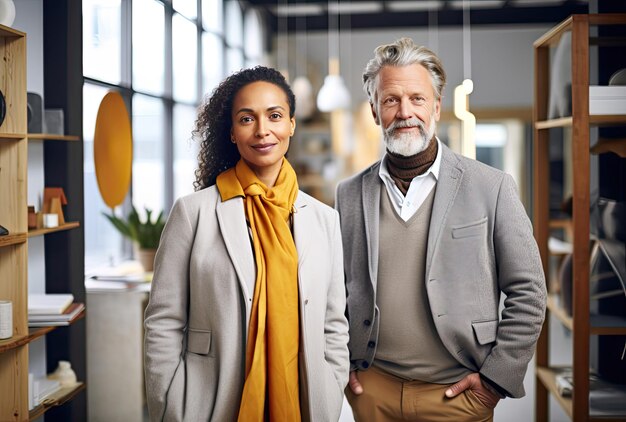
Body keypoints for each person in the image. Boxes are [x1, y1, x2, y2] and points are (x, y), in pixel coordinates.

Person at [336, 37, 547, 421]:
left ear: (436, 106)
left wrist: (495, 381)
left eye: (417, 99)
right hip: (373, 390)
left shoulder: (491, 186)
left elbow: (529, 292)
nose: (405, 112)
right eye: (390, 100)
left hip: (458, 393)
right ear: (373, 110)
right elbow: (335, 292)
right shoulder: (348, 194)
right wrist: (341, 362)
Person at [144, 66, 349, 422]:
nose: (262, 130)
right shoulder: (193, 213)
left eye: (274, 116)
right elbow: (164, 321)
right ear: (232, 132)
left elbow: (334, 323)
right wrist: (171, 405)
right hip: (212, 402)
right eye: (246, 118)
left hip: (304, 403)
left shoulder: (323, 220)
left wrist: (331, 387)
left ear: (292, 125)